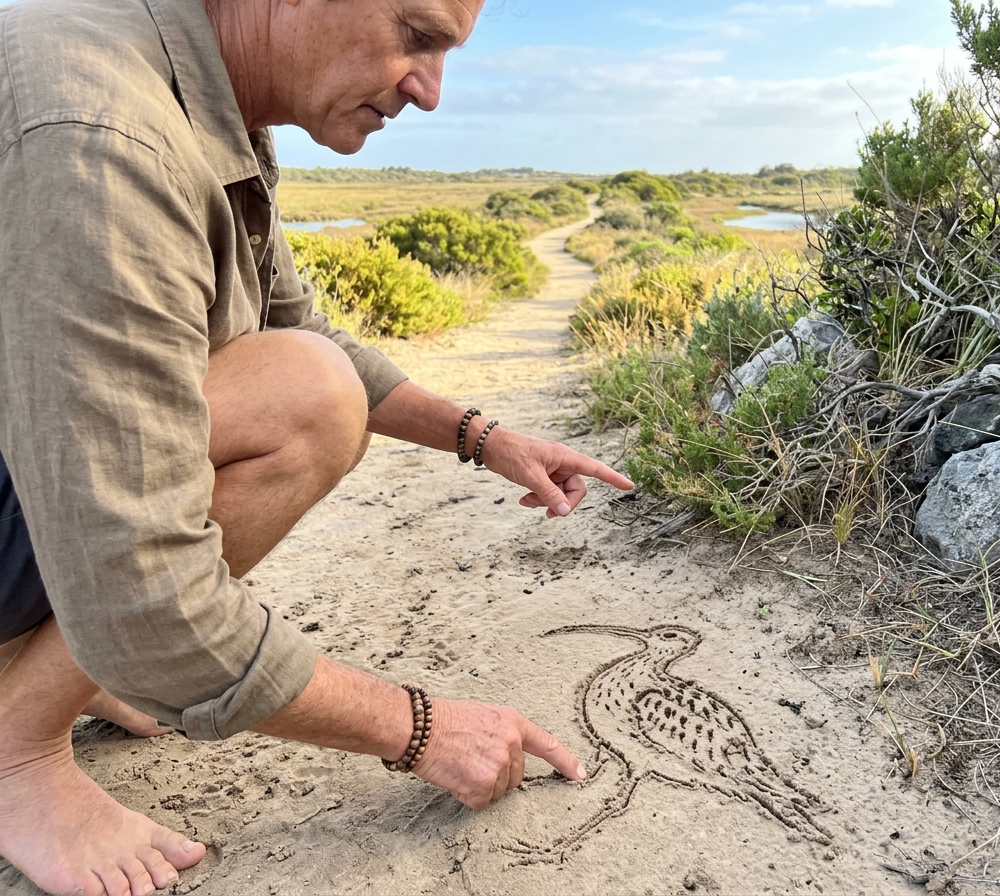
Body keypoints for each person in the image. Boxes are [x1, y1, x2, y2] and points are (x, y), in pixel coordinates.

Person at [0, 0, 635, 893]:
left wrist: (485, 438)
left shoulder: (202, 94)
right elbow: (138, 591)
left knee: (303, 380)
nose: (431, 92)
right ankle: (14, 756)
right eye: (416, 37)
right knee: (307, 400)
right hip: (55, 498)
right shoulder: (101, 130)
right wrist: (417, 729)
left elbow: (299, 329)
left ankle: (57, 674)